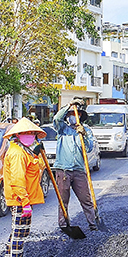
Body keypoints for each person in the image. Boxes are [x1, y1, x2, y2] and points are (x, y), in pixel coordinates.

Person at [1, 117, 46, 257]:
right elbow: (17, 180)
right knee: (19, 234)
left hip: (26, 198)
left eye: (32, 133)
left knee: (17, 232)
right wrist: (25, 203)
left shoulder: (26, 151)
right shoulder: (17, 153)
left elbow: (38, 167)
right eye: (25, 133)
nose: (29, 135)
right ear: (18, 135)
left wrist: (38, 154)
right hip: (20, 199)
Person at [53, 98, 98, 231]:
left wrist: (83, 135)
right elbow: (56, 118)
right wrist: (69, 105)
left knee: (86, 199)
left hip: (79, 170)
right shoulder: (62, 129)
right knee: (63, 201)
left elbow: (89, 148)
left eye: (76, 114)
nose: (74, 117)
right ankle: (63, 225)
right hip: (64, 170)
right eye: (71, 114)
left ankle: (93, 223)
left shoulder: (86, 130)